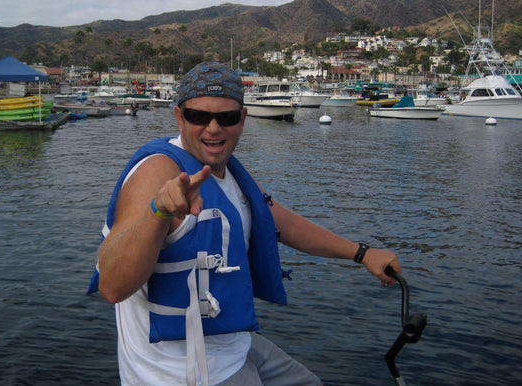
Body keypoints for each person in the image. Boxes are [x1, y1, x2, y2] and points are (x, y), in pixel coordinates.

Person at [87, 61, 401, 386]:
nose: (213, 128)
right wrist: (159, 211)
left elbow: (278, 219)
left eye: (227, 117)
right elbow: (111, 286)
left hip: (232, 344)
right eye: (198, 116)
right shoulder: (157, 172)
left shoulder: (229, 171)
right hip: (185, 374)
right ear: (179, 117)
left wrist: (362, 253)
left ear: (243, 119)